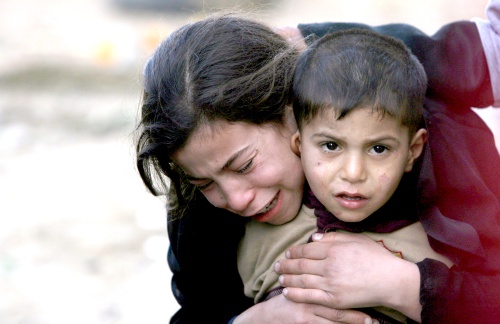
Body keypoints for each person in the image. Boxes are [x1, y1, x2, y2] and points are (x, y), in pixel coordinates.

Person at [135, 6, 499, 323]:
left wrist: (405, 285)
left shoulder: (438, 145)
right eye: (204, 184)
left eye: (244, 166)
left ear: (292, 112)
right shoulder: (203, 199)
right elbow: (196, 312)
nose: (235, 198)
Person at [237, 28, 457, 323]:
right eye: (331, 146)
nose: (353, 173)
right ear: (299, 146)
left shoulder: (442, 244)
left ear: (412, 151)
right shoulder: (258, 237)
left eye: (378, 149)